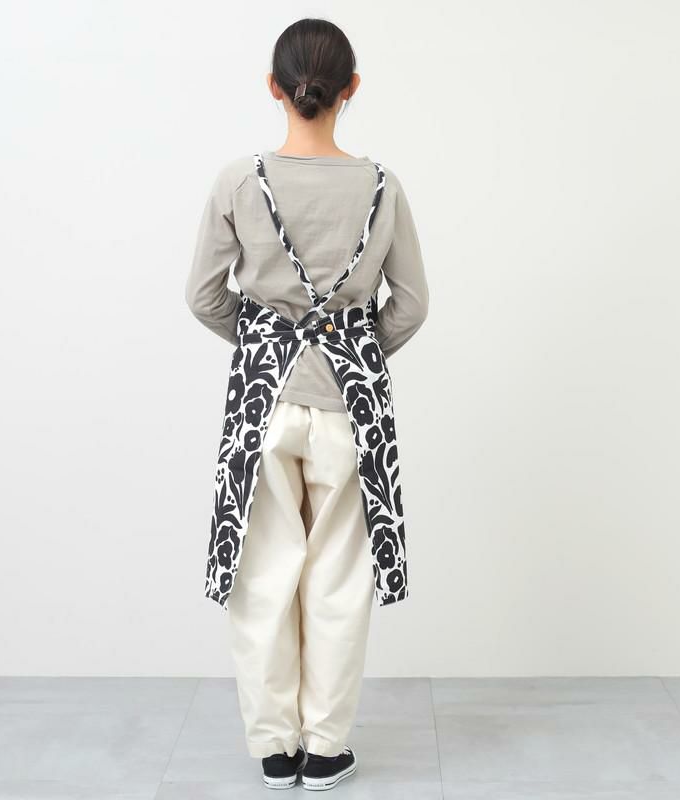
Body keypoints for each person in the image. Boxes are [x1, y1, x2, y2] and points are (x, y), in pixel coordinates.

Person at [185, 17, 429, 792]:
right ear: (351, 88)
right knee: (339, 580)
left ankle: (273, 748)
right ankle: (325, 748)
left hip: (263, 409)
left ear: (274, 86)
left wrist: (268, 345)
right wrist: (351, 351)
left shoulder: (238, 181)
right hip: (351, 411)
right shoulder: (382, 187)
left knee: (262, 577)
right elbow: (411, 305)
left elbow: (203, 296)